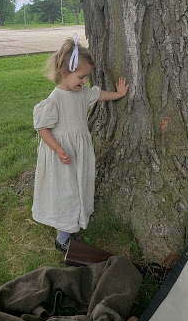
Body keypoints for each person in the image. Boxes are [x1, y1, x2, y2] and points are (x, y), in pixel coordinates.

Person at [32, 34, 129, 252]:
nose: (85, 81)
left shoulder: (81, 92)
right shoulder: (53, 101)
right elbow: (42, 129)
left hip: (79, 152)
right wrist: (57, 149)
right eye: (81, 77)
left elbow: (99, 95)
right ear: (64, 73)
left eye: (86, 77)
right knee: (66, 192)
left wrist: (118, 94)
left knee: (79, 188)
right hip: (63, 155)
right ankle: (63, 238)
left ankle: (73, 225)